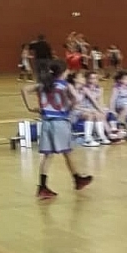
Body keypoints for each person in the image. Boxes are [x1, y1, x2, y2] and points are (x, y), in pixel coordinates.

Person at [21, 59, 92, 199]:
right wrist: (70, 106)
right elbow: (77, 99)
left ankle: (43, 186)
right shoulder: (65, 85)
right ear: (63, 72)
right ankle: (77, 179)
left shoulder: (43, 84)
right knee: (67, 151)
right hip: (60, 122)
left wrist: (30, 107)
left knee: (48, 155)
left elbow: (24, 89)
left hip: (46, 122)